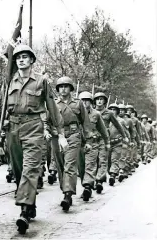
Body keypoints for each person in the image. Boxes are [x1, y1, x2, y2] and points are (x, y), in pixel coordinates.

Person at [0, 44, 66, 234]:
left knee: (30, 168)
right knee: (18, 170)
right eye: (18, 58)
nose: (21, 60)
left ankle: (24, 211)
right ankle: (30, 202)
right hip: (13, 129)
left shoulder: (41, 81)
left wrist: (61, 133)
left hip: (34, 127)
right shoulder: (9, 81)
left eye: (25, 57)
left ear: (32, 60)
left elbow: (52, 107)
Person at [52, 76, 90, 212]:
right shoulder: (53, 103)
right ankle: (65, 188)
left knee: (70, 165)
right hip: (57, 136)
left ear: (70, 89)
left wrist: (87, 141)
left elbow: (85, 123)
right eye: (60, 87)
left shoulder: (78, 103)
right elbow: (48, 120)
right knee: (60, 165)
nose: (63, 89)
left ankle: (67, 194)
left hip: (74, 135)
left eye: (66, 86)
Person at [78, 92, 109, 201]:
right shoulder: (75, 113)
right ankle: (86, 184)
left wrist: (107, 142)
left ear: (91, 102)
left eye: (87, 100)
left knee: (90, 165)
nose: (84, 102)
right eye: (82, 100)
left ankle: (88, 187)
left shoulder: (96, 114)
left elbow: (103, 130)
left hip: (92, 143)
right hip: (78, 143)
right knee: (81, 167)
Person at [93, 93, 127, 192]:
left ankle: (99, 180)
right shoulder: (91, 112)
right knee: (93, 161)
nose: (99, 101)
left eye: (101, 99)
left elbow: (118, 125)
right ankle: (92, 181)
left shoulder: (109, 113)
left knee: (103, 160)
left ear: (104, 101)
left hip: (104, 139)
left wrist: (124, 136)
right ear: (94, 101)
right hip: (92, 139)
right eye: (97, 99)